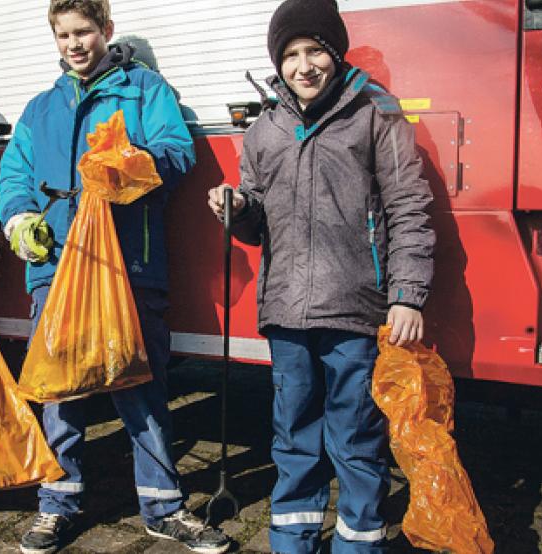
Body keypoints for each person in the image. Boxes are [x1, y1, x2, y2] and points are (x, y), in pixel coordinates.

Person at [0, 2, 230, 553]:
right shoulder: (41, 107)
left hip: (129, 267)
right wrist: (21, 219)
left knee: (142, 391)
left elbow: (177, 151)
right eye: (64, 35)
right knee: (62, 393)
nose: (75, 44)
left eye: (84, 32)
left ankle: (163, 507)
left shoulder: (145, 89)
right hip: (57, 271)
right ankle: (58, 504)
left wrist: (127, 166)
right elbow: (14, 174)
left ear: (107, 30)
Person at [207, 0, 435, 552]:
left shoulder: (376, 114)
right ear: (277, 62)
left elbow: (409, 205)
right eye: (290, 55)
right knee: (293, 441)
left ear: (335, 54)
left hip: (355, 309)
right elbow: (258, 221)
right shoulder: (265, 128)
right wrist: (238, 209)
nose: (303, 66)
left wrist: (406, 296)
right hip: (286, 313)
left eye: (315, 51)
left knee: (356, 441)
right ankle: (293, 543)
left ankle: (358, 543)